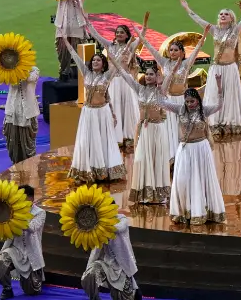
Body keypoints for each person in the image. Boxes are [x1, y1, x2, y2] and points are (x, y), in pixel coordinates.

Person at [180, 0, 241, 137]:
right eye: (221, 14)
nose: (223, 16)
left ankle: (230, 123)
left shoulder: (236, 30)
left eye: (226, 14)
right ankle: (215, 123)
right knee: (214, 95)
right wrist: (187, 8)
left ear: (231, 18)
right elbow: (199, 20)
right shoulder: (214, 30)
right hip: (216, 68)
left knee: (229, 95)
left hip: (230, 68)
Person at [159, 86, 228, 225]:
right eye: (187, 101)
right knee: (182, 180)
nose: (189, 104)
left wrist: (219, 88)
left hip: (201, 149)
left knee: (201, 180)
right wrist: (162, 85)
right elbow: (161, 102)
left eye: (192, 101)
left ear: (197, 100)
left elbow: (219, 106)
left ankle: (201, 212)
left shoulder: (204, 110)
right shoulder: (180, 109)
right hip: (185, 149)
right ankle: (185, 211)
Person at [138, 26, 208, 161]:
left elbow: (196, 50)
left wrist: (204, 35)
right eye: (171, 50)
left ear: (182, 52)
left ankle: (183, 156)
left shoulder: (186, 64)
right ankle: (171, 157)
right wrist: (142, 37)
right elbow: (151, 49)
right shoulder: (164, 63)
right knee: (169, 128)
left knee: (182, 127)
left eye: (176, 50)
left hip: (182, 101)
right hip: (168, 100)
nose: (173, 52)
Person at [62, 44, 127, 183]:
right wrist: (67, 42)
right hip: (88, 112)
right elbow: (75, 56)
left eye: (98, 60)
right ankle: (87, 170)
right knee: (86, 140)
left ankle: (104, 171)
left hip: (102, 112)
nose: (95, 62)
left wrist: (125, 47)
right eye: (93, 60)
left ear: (103, 65)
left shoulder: (107, 76)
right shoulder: (86, 73)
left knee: (103, 140)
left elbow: (117, 62)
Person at [114, 63, 172, 204]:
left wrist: (162, 80)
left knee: (156, 159)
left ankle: (158, 193)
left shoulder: (161, 91)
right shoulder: (139, 89)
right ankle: (144, 193)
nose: (148, 76)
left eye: (151, 74)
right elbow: (126, 77)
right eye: (146, 74)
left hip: (156, 129)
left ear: (157, 76)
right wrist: (116, 62)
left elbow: (170, 76)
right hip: (143, 130)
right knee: (141, 159)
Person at [83, 17, 140, 153]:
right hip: (113, 81)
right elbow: (95, 34)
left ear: (127, 35)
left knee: (127, 108)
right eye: (117, 32)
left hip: (126, 81)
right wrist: (87, 21)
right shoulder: (110, 45)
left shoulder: (131, 46)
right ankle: (115, 136)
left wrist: (142, 26)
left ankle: (129, 136)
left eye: (122, 32)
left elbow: (142, 38)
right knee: (115, 106)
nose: (119, 34)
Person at [83, 211, 141, 300]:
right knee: (89, 274)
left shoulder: (122, 219)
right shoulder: (98, 224)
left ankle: (134, 288)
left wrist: (102, 226)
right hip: (105, 263)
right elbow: (94, 249)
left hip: (122, 266)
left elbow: (120, 228)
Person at [0, 184, 46, 299]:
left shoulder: (40, 213)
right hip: (15, 249)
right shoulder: (12, 210)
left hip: (31, 253)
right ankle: (7, 289)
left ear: (30, 199)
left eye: (21, 197)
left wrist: (18, 214)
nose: (17, 200)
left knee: (31, 291)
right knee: (0, 262)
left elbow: (32, 228)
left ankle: (35, 280)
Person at [2, 59, 40, 165]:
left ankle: (29, 168)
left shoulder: (34, 70)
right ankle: (16, 166)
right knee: (12, 143)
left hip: (27, 113)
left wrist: (17, 69)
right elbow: (6, 80)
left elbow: (28, 78)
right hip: (12, 111)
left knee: (27, 144)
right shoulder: (10, 71)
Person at [54, 0, 89, 80]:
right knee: (62, 51)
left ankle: (84, 76)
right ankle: (64, 72)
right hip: (62, 24)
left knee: (79, 50)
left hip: (76, 24)